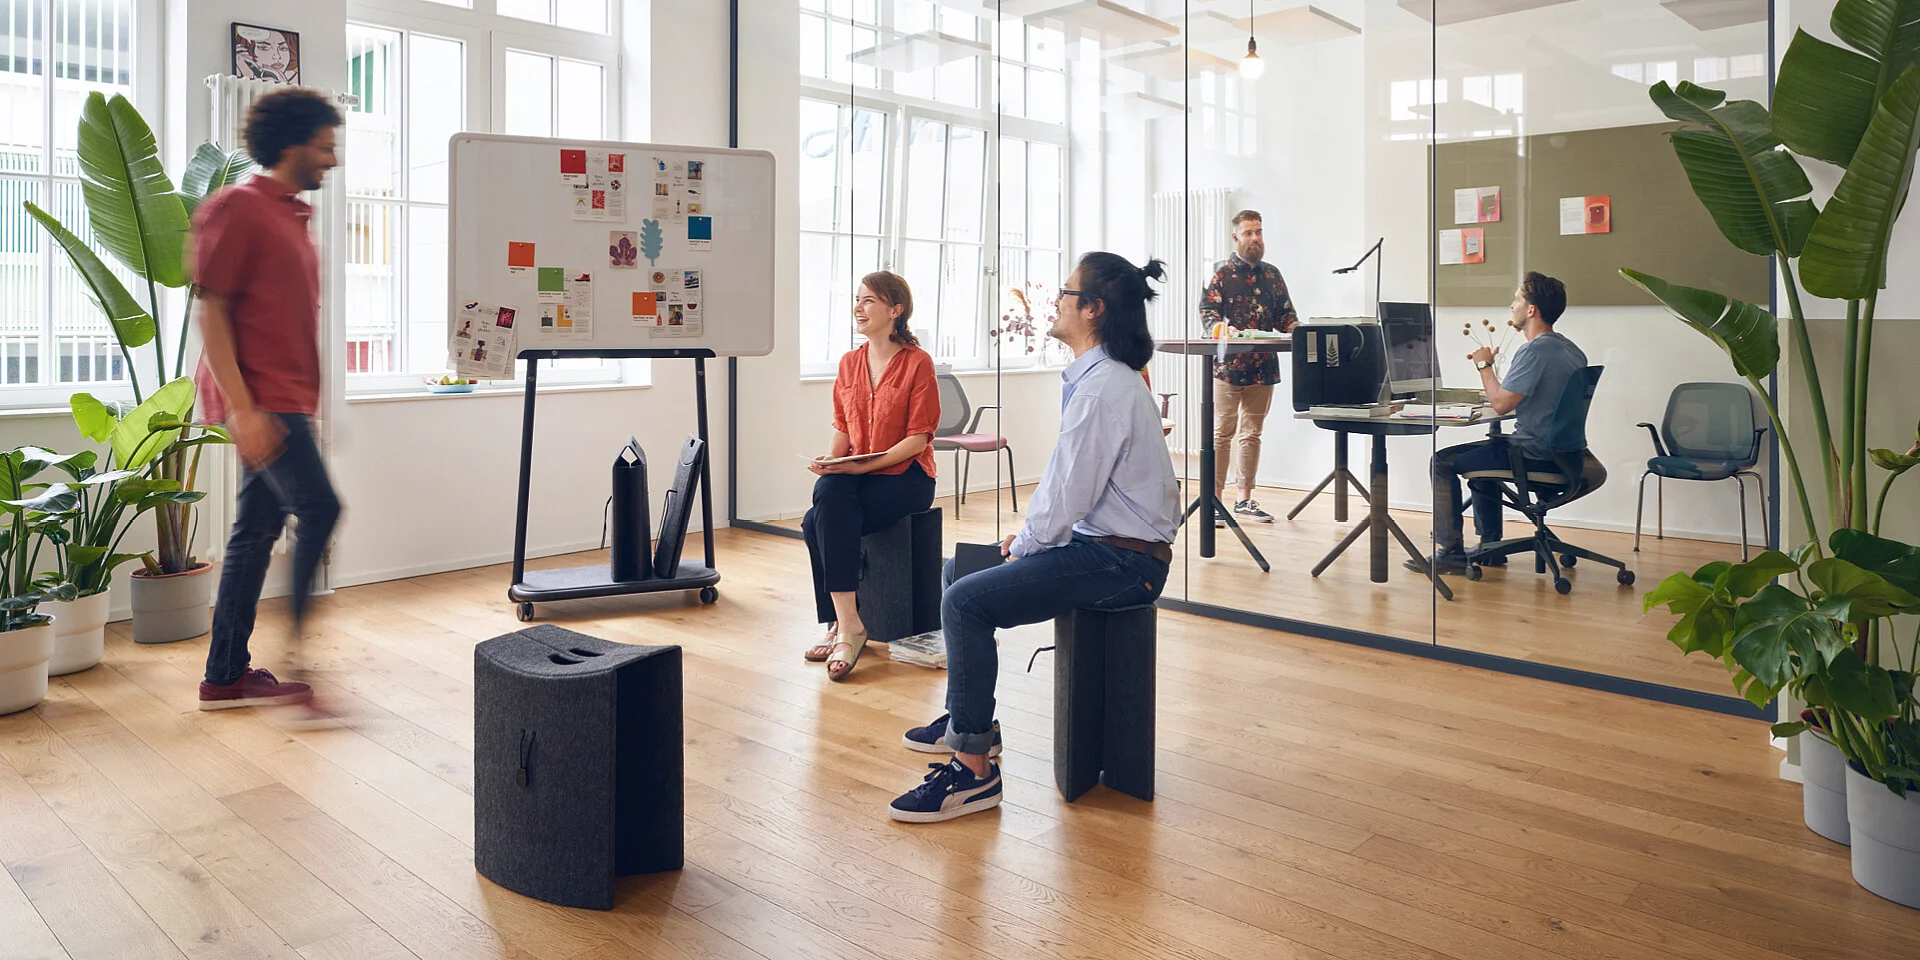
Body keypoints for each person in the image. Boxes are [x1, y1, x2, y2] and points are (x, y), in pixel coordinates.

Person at [888, 252, 1180, 823]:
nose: (1055, 299)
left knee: (963, 600)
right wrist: (1027, 537)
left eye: (1066, 293)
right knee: (960, 573)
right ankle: (968, 723)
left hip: (1125, 564)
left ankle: (973, 772)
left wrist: (1026, 543)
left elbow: (1067, 493)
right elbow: (1071, 488)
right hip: (1105, 545)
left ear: (1092, 310)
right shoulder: (1100, 380)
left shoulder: (1103, 391)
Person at [193, 88, 344, 718]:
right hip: (261, 402)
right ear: (292, 144)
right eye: (324, 147)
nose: (331, 161)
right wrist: (244, 409)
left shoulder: (291, 217)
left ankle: (225, 676)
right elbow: (211, 308)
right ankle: (301, 652)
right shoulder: (238, 207)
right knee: (321, 507)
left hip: (286, 400)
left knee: (254, 533)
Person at [801, 271, 940, 681]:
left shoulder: (918, 363)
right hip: (860, 473)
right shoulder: (849, 363)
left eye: (868, 301)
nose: (858, 309)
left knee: (816, 520)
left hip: (908, 478)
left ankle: (839, 624)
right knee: (827, 488)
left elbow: (918, 439)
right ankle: (850, 623)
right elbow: (843, 427)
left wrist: (860, 466)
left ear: (895, 310)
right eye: (857, 300)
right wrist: (833, 459)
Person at [1417, 271, 1588, 571]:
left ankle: (1450, 551)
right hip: (1568, 456)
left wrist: (1484, 365)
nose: (1513, 305)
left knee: (1442, 461)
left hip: (1534, 455)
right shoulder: (1570, 349)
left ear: (1531, 310)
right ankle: (1491, 547)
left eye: (1517, 299)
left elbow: (1500, 404)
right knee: (1484, 458)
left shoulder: (1534, 351)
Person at [1197, 210, 1298, 525]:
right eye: (1249, 233)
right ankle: (1213, 502)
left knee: (1252, 433)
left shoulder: (1272, 274)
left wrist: (1300, 329)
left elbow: (1285, 314)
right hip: (1227, 367)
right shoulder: (1220, 273)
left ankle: (1244, 500)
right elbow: (1207, 311)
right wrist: (1219, 330)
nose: (1255, 238)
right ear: (1235, 237)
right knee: (1221, 434)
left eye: (1259, 232)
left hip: (1263, 367)